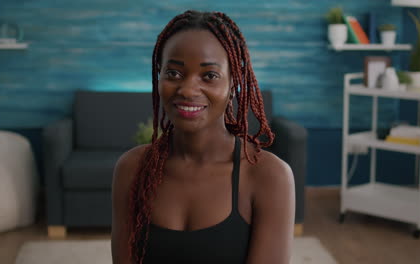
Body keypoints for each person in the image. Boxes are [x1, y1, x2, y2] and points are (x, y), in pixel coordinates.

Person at [111, 10, 295, 264]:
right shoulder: (132, 169)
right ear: (159, 76)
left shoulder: (268, 176)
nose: (187, 89)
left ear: (233, 84)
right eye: (173, 73)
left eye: (209, 76)